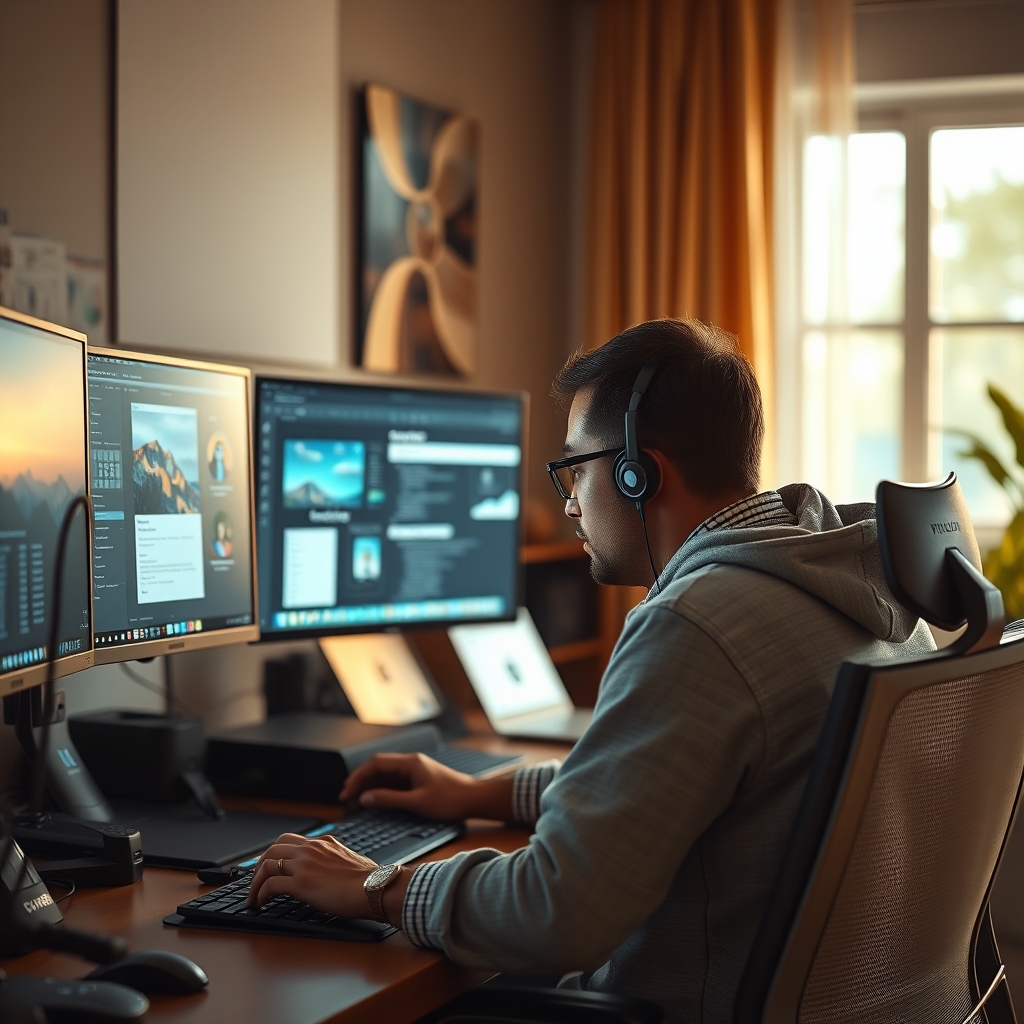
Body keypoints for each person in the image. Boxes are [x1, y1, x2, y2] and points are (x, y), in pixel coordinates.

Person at [246, 318, 935, 1023]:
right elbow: (671, 784)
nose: (570, 501)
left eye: (576, 468)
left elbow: (554, 912)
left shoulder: (697, 624)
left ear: (640, 473)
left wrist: (377, 886)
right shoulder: (858, 589)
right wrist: (482, 793)